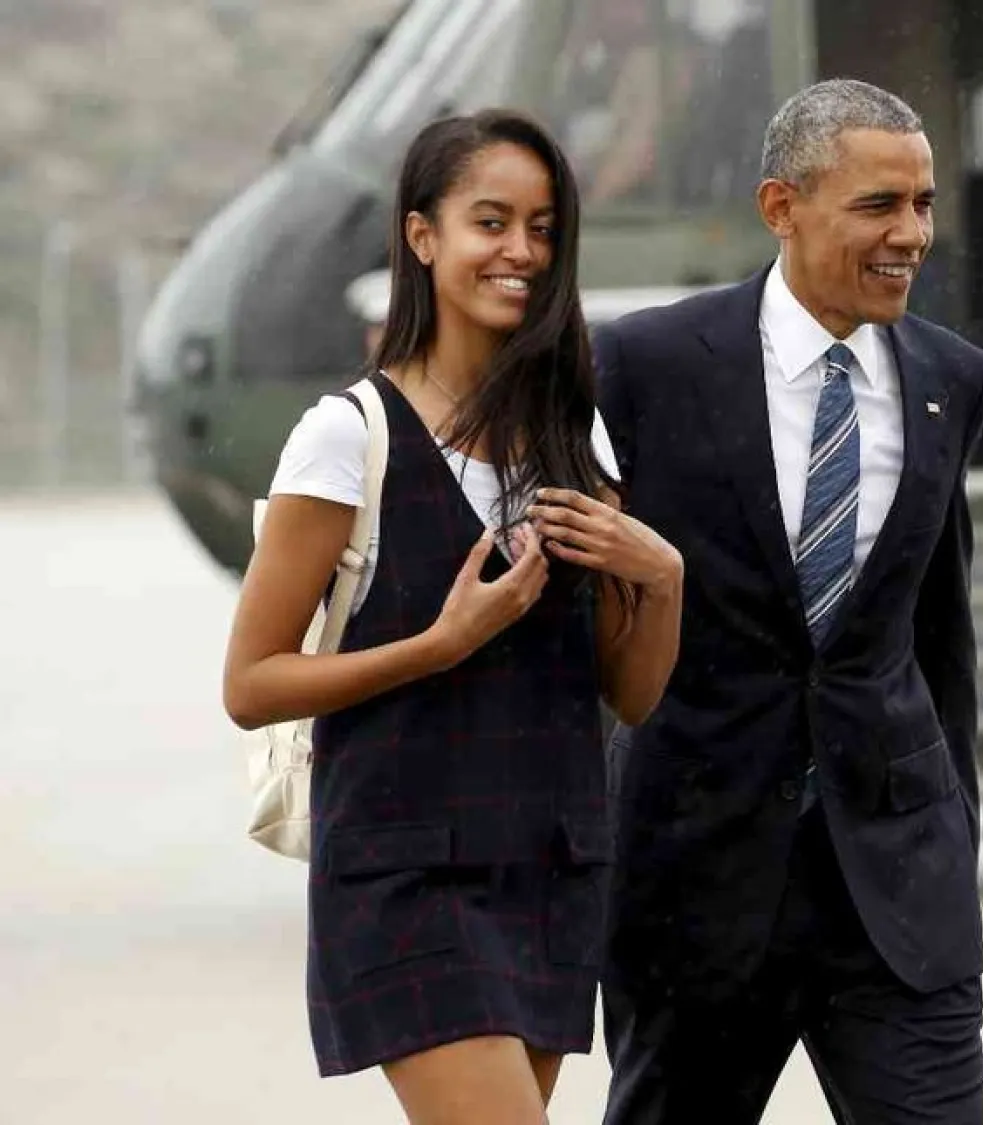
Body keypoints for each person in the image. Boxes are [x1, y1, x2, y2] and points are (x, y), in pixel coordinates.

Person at [221, 110, 684, 1123]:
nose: (521, 251)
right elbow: (250, 686)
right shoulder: (346, 440)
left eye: (544, 227)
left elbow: (632, 692)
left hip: (553, 861)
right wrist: (442, 645)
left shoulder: (575, 435)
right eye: (491, 221)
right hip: (403, 871)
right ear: (422, 237)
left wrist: (665, 577)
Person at [594, 79, 983, 1123]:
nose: (911, 234)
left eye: (924, 203)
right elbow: (587, 628)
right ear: (783, 208)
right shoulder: (648, 365)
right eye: (879, 206)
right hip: (697, 886)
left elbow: (939, 634)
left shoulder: (955, 378)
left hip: (898, 893)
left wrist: (955, 835)